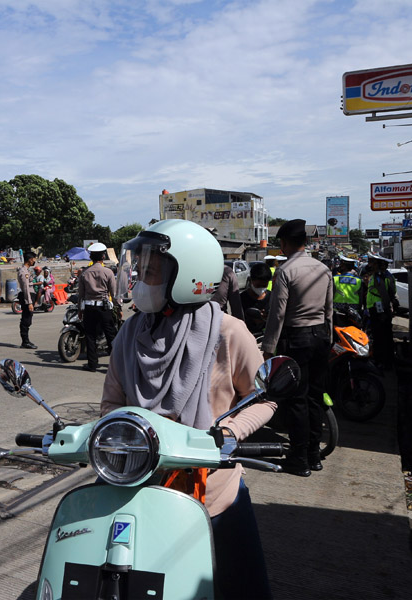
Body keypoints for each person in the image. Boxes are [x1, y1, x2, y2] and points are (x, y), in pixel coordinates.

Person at [102, 219, 274, 599]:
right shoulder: (130, 333)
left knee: (239, 586)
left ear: (189, 275)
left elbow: (264, 398)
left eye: (151, 270)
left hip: (212, 488)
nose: (140, 279)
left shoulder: (230, 333)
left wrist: (228, 435)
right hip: (135, 480)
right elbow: (112, 404)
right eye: (139, 268)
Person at [261, 219, 333, 477]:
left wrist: (268, 348)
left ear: (284, 243)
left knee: (297, 401)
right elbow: (329, 310)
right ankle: (314, 456)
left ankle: (299, 459)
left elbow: (277, 315)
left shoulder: (284, 271)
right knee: (315, 398)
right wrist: (329, 339)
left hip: (296, 339)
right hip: (321, 338)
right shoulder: (323, 269)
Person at [78, 242, 117, 372]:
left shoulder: (84, 273)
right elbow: (114, 293)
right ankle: (116, 365)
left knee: (90, 336)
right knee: (111, 335)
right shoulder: (108, 272)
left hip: (89, 308)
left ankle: (92, 364)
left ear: (91, 257)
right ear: (103, 256)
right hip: (104, 308)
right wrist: (118, 308)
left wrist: (80, 310)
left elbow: (81, 295)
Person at [362, 253, 399, 369]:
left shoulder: (381, 277)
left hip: (380, 311)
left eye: (373, 263)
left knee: (380, 337)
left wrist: (383, 312)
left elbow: (384, 295)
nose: (371, 265)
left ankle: (381, 361)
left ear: (379, 265)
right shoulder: (382, 276)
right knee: (384, 336)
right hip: (379, 310)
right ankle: (386, 360)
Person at [240, 262, 273, 334]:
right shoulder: (242, 298)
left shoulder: (272, 298)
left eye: (264, 285)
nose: (261, 288)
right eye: (258, 285)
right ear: (251, 280)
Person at [332, 254, 363, 321]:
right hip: (354, 313)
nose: (339, 266)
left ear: (344, 266)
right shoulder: (359, 280)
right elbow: (361, 299)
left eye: (341, 265)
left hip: (337, 313)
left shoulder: (335, 279)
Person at [17, 251, 38, 348]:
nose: (34, 261)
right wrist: (29, 302)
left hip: (30, 295)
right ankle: (25, 341)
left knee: (28, 318)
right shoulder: (23, 271)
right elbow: (25, 288)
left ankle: (26, 341)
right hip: (27, 296)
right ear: (30, 260)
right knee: (26, 319)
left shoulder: (27, 271)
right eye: (34, 259)